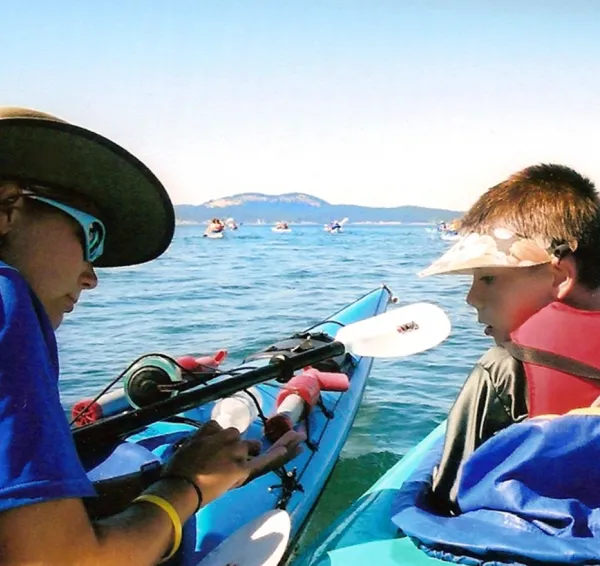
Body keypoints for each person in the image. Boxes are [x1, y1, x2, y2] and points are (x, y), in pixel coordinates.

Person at [0, 107, 304, 565]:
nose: (90, 277)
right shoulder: (6, 297)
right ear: (6, 207)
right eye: (92, 238)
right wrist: (187, 485)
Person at [418, 163, 600, 514]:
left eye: (487, 279)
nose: (471, 298)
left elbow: (449, 500)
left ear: (560, 275)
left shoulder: (503, 370)